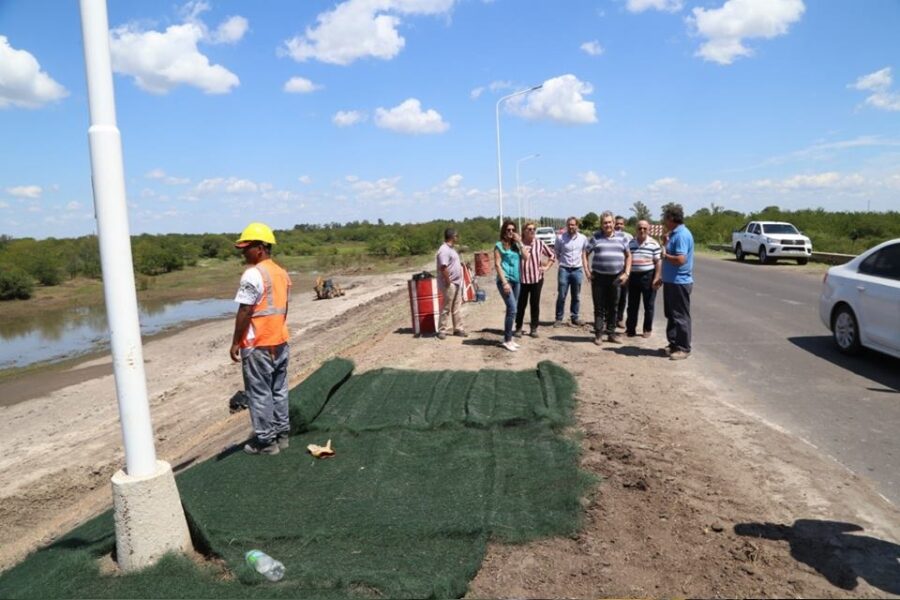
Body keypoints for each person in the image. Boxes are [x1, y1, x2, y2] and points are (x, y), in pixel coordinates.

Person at [230, 222, 292, 455]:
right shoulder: (281, 273)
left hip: (258, 345)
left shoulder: (253, 274)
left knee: (259, 394)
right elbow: (283, 309)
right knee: (279, 390)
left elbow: (245, 310)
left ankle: (266, 442)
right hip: (280, 341)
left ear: (260, 248)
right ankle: (282, 434)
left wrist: (236, 342)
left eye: (246, 247)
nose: (243, 252)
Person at [584, 212, 631, 345]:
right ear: (601, 224)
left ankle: (611, 333)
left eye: (610, 222)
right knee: (599, 307)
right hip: (599, 278)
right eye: (605, 223)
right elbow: (585, 253)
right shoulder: (595, 237)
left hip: (616, 277)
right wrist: (587, 271)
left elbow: (628, 255)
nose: (608, 225)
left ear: (614, 223)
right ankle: (598, 335)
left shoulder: (622, 237)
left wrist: (626, 273)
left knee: (613, 307)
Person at [655, 204, 694, 360]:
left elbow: (680, 259)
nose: (664, 221)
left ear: (671, 218)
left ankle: (683, 347)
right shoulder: (673, 234)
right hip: (671, 281)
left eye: (665, 218)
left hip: (680, 282)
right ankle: (673, 344)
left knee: (680, 316)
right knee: (671, 314)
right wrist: (665, 242)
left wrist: (665, 256)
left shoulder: (682, 235)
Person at [515, 221, 556, 338]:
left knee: (534, 304)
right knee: (521, 305)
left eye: (533, 229)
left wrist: (546, 267)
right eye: (529, 229)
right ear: (524, 231)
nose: (532, 231)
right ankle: (518, 327)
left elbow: (552, 255)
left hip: (536, 279)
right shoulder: (518, 245)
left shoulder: (539, 244)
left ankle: (534, 328)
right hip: (522, 280)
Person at [494, 219, 527, 352]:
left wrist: (519, 242)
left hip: (516, 280)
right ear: (504, 231)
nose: (511, 232)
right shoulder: (499, 245)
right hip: (505, 281)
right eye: (508, 230)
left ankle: (508, 338)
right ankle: (508, 340)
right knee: (512, 308)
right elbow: (497, 264)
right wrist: (505, 283)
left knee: (511, 309)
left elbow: (526, 257)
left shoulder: (516, 245)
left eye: (513, 230)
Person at [625, 220, 662, 338]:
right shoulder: (630, 244)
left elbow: (658, 262)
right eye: (640, 228)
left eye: (645, 228)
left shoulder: (654, 244)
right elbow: (626, 260)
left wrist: (656, 278)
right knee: (632, 305)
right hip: (633, 277)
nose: (642, 230)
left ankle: (647, 329)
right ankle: (630, 329)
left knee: (649, 305)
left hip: (648, 276)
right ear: (636, 229)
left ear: (648, 229)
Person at [554, 217, 588, 327]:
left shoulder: (583, 238)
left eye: (573, 224)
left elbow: (584, 254)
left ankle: (575, 317)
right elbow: (557, 253)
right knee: (561, 295)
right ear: (566, 225)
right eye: (569, 224)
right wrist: (562, 263)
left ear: (577, 226)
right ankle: (559, 318)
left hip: (577, 270)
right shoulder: (560, 238)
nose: (571, 226)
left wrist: (586, 268)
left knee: (576, 296)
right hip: (564, 269)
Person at [435, 228, 468, 340]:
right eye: (456, 236)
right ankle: (442, 330)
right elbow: (443, 267)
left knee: (456, 307)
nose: (458, 238)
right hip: (450, 284)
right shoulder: (444, 250)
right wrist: (448, 282)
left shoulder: (452, 249)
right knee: (446, 307)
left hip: (457, 283)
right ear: (452, 236)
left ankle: (458, 329)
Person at [614, 215, 633, 329]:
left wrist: (628, 271)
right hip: (613, 271)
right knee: (612, 297)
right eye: (617, 224)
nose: (619, 226)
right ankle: (610, 318)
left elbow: (631, 254)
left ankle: (620, 318)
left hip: (624, 271)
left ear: (624, 225)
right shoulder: (610, 236)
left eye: (621, 223)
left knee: (622, 296)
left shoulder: (629, 237)